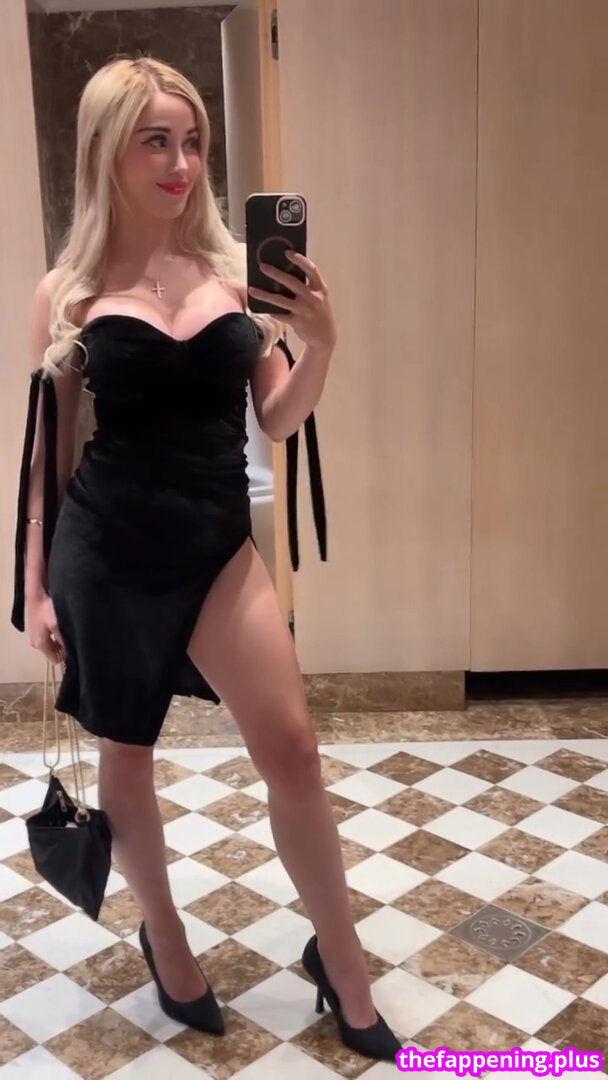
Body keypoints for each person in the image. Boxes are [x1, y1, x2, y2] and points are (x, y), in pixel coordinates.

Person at [10, 57, 400, 1061]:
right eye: (156, 141)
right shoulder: (69, 291)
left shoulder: (234, 274)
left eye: (192, 142)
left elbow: (276, 417)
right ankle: (168, 941)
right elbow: (46, 457)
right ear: (106, 150)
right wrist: (35, 585)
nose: (180, 163)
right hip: (106, 549)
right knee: (126, 756)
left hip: (218, 544)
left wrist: (320, 343)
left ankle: (342, 962)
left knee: (293, 751)